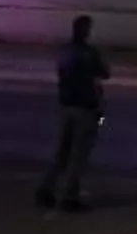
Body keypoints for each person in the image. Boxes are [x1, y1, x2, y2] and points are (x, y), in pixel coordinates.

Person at [36, 14, 110, 212]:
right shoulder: (89, 54)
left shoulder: (64, 52)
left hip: (66, 104)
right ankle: (70, 196)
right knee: (78, 155)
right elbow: (104, 73)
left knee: (62, 151)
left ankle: (46, 188)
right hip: (85, 107)